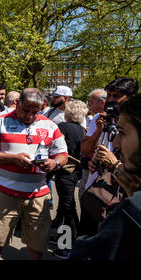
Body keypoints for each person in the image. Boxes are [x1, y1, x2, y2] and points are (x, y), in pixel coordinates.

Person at [0, 88, 68, 260]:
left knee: (37, 242)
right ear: (17, 103)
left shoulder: (50, 125)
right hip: (4, 192)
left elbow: (63, 154)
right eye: (25, 110)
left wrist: (55, 163)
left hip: (38, 194)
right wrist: (12, 159)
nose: (30, 116)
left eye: (35, 112)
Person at [68, 94, 141, 260]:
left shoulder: (133, 212)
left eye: (122, 133)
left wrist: (115, 166)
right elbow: (85, 150)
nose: (115, 143)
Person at [79, 77, 139, 237]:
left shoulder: (136, 124)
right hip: (95, 192)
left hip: (122, 198)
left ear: (132, 98)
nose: (111, 101)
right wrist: (98, 131)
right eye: (109, 96)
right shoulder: (100, 119)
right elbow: (84, 150)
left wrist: (114, 164)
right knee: (86, 239)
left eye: (116, 96)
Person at [49, 100, 89, 259]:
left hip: (64, 171)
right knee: (66, 206)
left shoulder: (63, 127)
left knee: (68, 208)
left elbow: (56, 147)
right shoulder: (82, 130)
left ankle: (68, 245)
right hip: (76, 173)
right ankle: (61, 237)